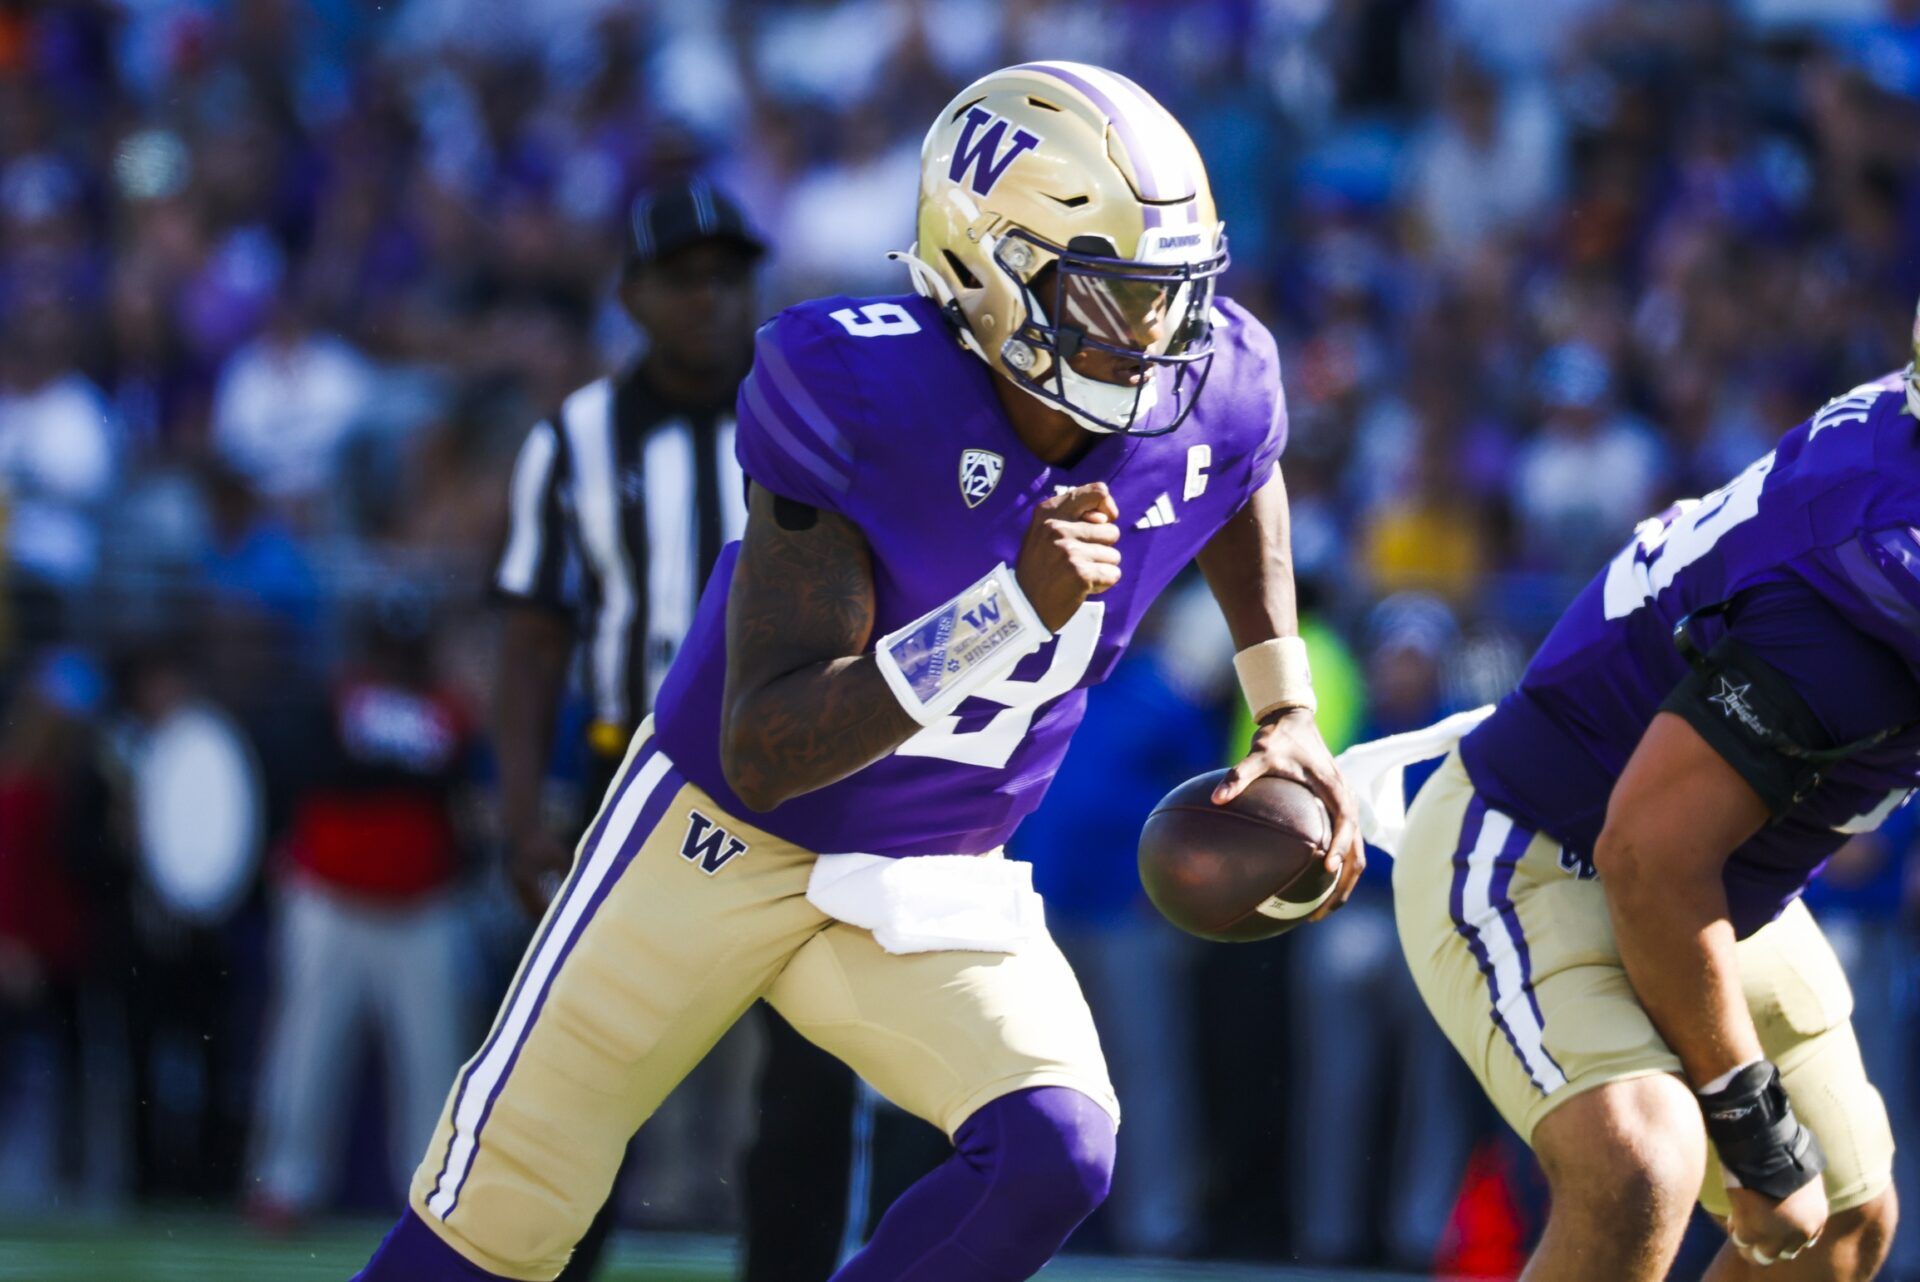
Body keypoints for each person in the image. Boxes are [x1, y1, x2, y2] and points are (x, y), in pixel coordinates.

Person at [356, 60, 1360, 1282]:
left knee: (1056, 1148)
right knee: (497, 1221)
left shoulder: (1214, 381)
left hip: (928, 867)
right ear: (992, 273)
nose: (1158, 341)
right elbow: (768, 747)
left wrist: (1286, 704)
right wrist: (1003, 612)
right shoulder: (857, 387)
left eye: (1171, 299)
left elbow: (1242, 465)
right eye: (1114, 299)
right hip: (715, 840)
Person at [1379, 329, 1920, 1280]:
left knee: (1842, 1217)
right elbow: (1648, 858)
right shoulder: (1861, 595)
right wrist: (1751, 1128)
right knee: (1641, 1162)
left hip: (1717, 870)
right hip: (1543, 849)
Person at [485, 178, 859, 1281]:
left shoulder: (817, 418)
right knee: (590, 1076)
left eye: (729, 277)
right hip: (628, 781)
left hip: (801, 782)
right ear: (633, 294)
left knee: (807, 1083)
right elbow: (532, 637)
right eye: (684, 280)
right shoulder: (574, 441)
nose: (710, 301)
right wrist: (518, 817)